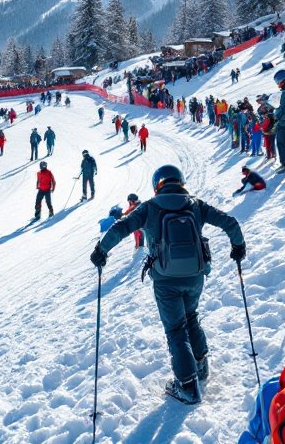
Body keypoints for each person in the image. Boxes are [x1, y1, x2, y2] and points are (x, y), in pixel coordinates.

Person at [90, 165, 246, 405]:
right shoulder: (195, 204)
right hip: (195, 275)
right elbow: (230, 222)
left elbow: (121, 227)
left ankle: (187, 386)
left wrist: (102, 250)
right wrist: (238, 246)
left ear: (157, 185)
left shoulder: (149, 207)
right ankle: (200, 366)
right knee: (191, 316)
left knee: (175, 329)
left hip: (165, 279)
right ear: (180, 182)